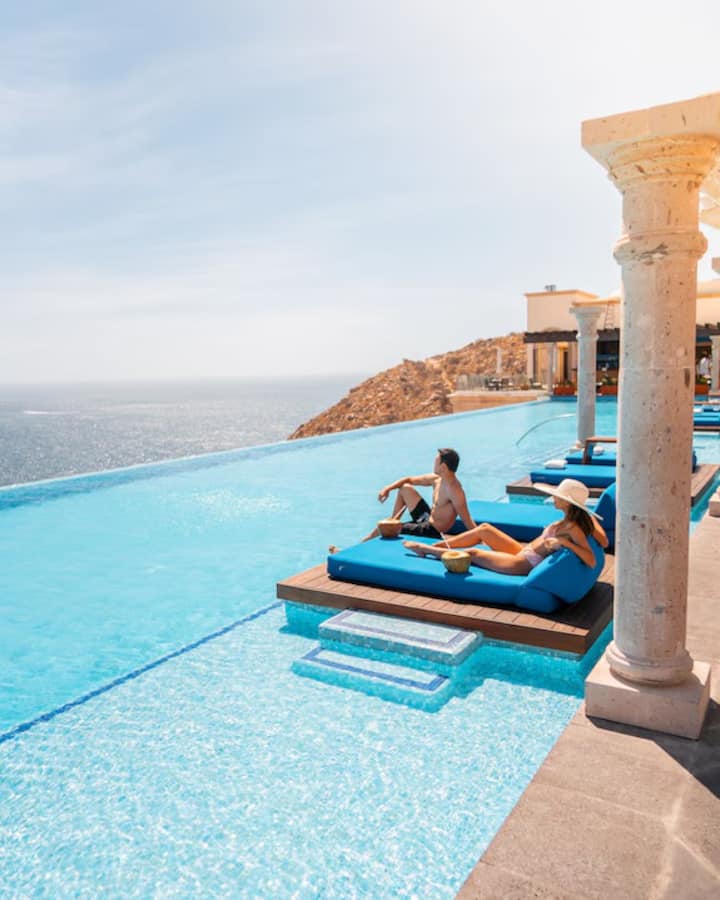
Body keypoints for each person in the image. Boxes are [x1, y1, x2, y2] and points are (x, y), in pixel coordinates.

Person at [403, 478, 608, 574]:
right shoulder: (567, 521)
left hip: (523, 564)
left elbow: (590, 560)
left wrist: (565, 543)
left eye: (557, 496)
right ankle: (438, 547)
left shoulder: (573, 528)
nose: (553, 498)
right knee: (485, 529)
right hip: (523, 551)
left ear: (568, 503)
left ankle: (426, 550)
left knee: (473, 553)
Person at [338, 448, 475, 548]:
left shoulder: (455, 490)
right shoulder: (437, 479)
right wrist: (388, 488)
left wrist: (482, 541)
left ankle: (358, 547)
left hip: (431, 531)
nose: (433, 464)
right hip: (426, 519)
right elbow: (408, 480)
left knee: (385, 528)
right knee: (405, 488)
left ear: (443, 467)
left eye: (436, 461)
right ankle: (393, 521)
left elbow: (467, 520)